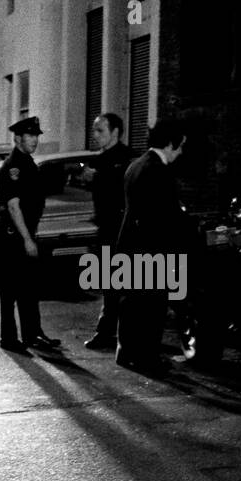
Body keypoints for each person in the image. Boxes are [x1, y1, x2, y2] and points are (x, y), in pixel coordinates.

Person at [113, 118, 193, 373]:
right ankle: (148, 359)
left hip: (130, 244)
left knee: (131, 305)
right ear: (171, 143)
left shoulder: (135, 165)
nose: (181, 152)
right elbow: (165, 217)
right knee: (151, 308)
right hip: (152, 248)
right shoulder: (160, 171)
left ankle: (126, 353)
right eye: (180, 146)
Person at [0, 116, 61, 354]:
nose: (35, 140)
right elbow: (14, 206)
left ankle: (33, 334)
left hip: (24, 233)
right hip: (14, 237)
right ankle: (9, 339)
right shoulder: (13, 167)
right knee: (11, 289)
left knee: (29, 289)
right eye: (30, 136)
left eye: (36, 136)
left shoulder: (28, 163)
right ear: (17, 138)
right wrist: (27, 239)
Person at [81, 113, 136, 350]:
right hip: (105, 228)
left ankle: (114, 333)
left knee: (121, 284)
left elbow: (120, 189)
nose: (95, 136)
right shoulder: (101, 159)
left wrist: (97, 178)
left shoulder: (127, 159)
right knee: (108, 284)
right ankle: (108, 332)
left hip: (120, 230)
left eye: (100, 131)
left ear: (115, 132)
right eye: (94, 131)